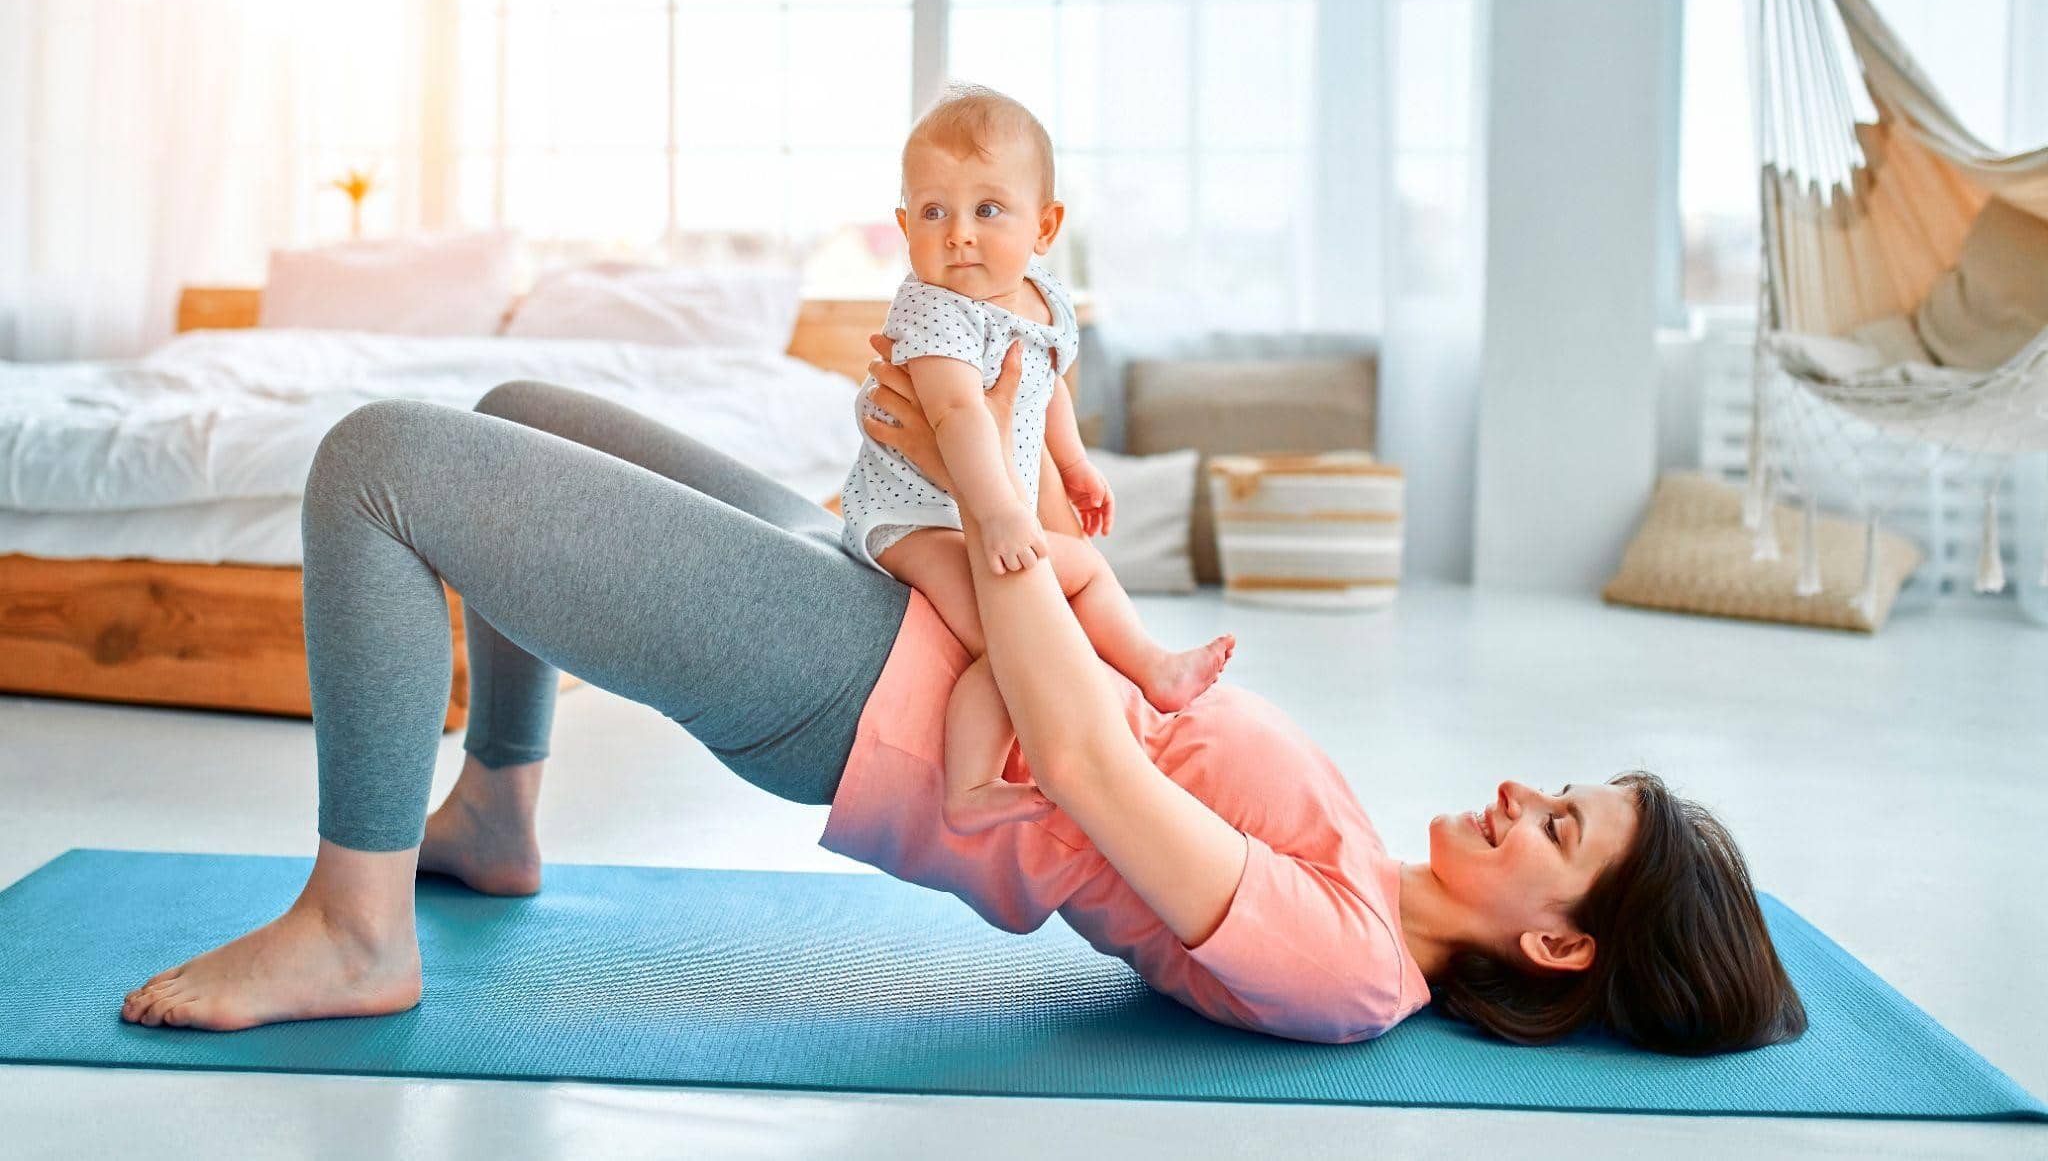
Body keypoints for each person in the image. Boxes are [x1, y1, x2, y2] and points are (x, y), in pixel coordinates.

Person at [120, 334, 1805, 1054]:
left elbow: (1073, 748)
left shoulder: (1348, 966)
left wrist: (982, 487)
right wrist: (987, 530)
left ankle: (358, 927)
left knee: (376, 467)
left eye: (1558, 826)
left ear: (1560, 941)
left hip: (857, 694)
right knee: (517, 403)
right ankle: (495, 811)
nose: (1523, 795)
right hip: (902, 615)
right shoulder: (1360, 864)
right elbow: (1101, 694)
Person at [840, 82, 1233, 835]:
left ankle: (1151, 665)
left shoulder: (1042, 298)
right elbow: (956, 413)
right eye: (933, 212)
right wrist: (994, 515)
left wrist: (1076, 465)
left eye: (987, 210)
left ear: (1044, 226)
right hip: (917, 516)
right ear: (904, 226)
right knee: (1013, 641)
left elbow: (1045, 384)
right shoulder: (932, 308)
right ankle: (970, 783)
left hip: (990, 506)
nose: (958, 234)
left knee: (1083, 574)